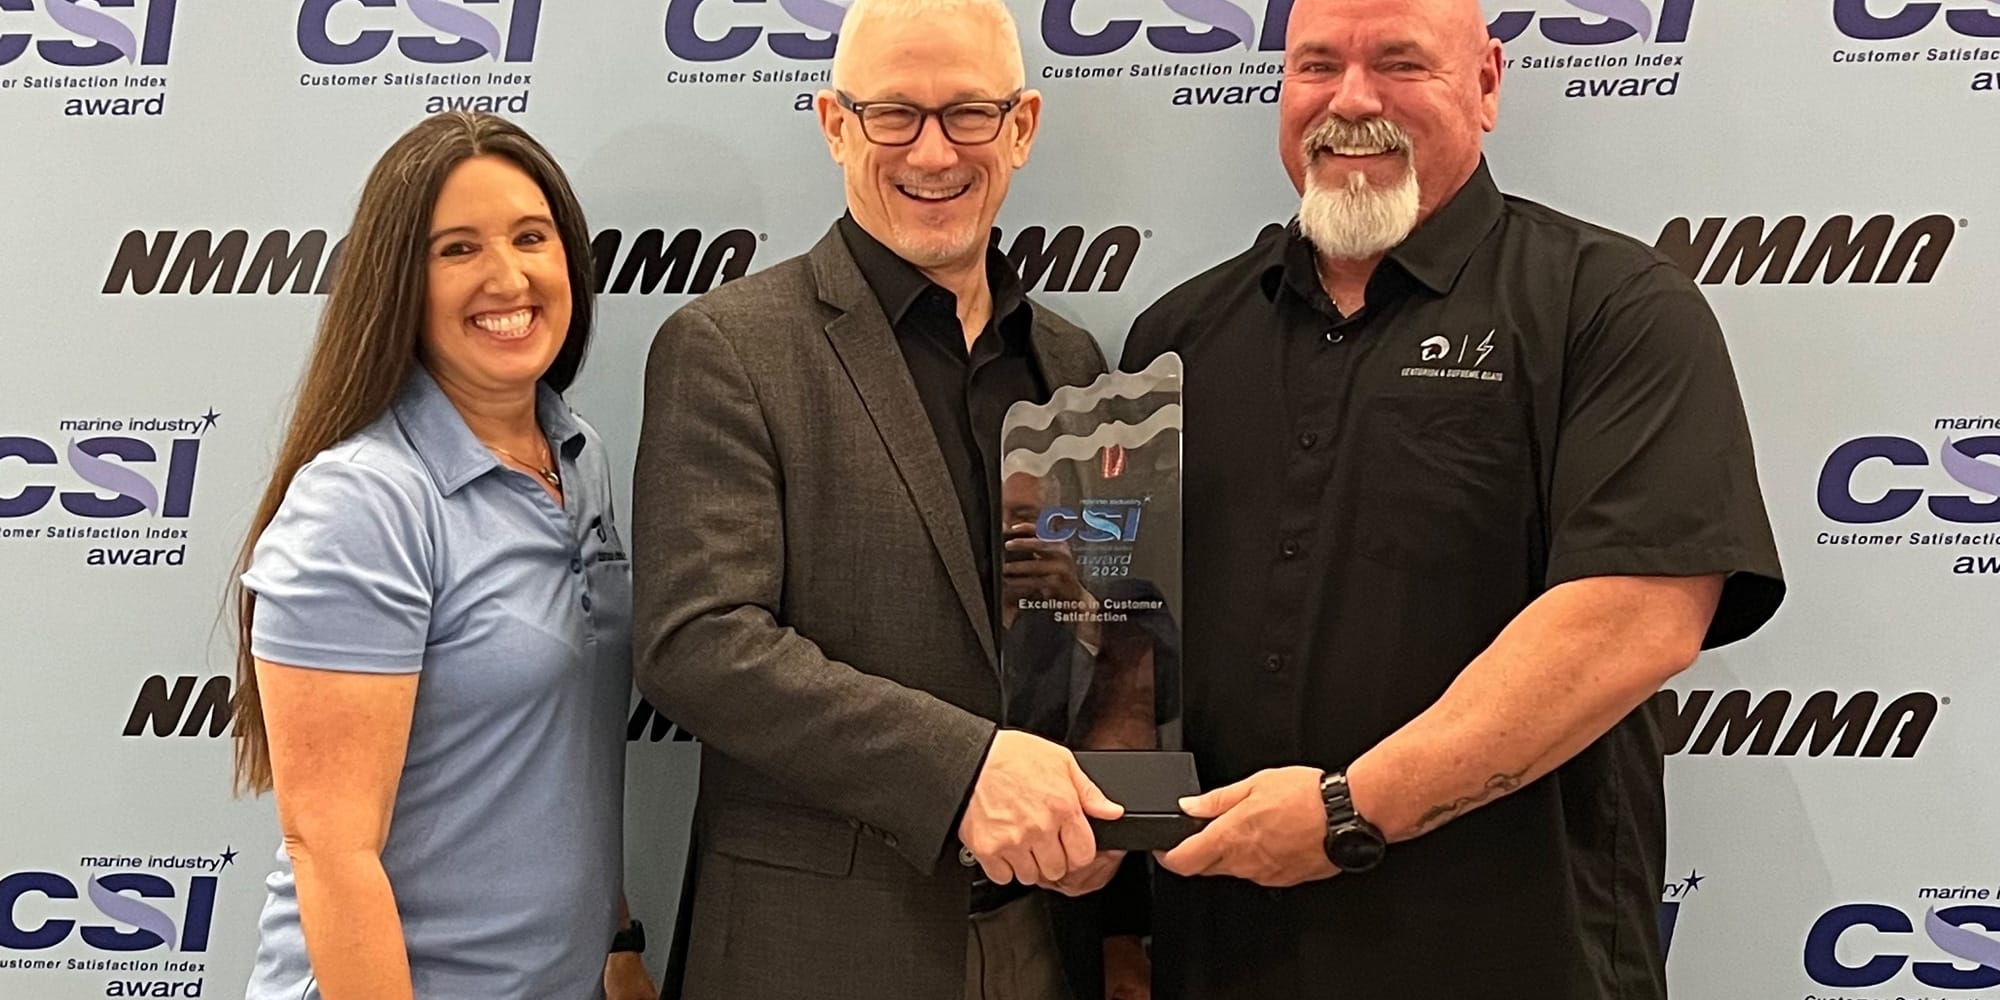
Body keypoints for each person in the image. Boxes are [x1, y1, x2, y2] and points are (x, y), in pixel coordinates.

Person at [1117, 0, 1788, 997]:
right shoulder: (1177, 337)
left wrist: (1349, 810)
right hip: (1224, 955)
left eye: (1398, 62)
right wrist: (1120, 929)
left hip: (1511, 955)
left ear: (1483, 84)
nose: (1350, 100)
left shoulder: (1611, 309)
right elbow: (1123, 650)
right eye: (1314, 66)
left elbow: (1636, 618)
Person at [630, 0, 1144, 997]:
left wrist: (1112, 813)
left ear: (1022, 126)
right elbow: (695, 642)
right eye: (893, 114)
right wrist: (964, 772)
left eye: (968, 114)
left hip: (1043, 940)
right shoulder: (730, 346)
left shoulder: (1072, 367)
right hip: (811, 950)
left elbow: (1097, 638)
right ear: (833, 123)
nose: (932, 150)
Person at [228, 111, 656, 1000]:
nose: (509, 276)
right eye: (456, 249)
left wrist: (617, 948)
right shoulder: (365, 499)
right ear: (398, 285)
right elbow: (330, 850)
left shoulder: (583, 461)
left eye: (531, 237)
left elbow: (561, 753)